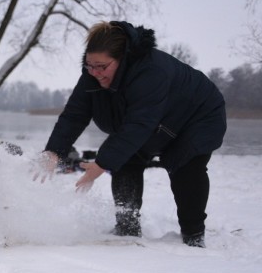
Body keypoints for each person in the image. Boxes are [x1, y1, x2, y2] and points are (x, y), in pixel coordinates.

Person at [36, 21, 226, 248]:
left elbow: (138, 124)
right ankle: (127, 228)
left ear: (122, 59)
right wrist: (54, 151)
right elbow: (74, 114)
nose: (95, 73)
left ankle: (193, 235)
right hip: (154, 122)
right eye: (89, 65)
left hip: (197, 117)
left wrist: (102, 163)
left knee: (185, 165)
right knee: (125, 159)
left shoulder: (151, 71)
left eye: (102, 67)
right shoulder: (92, 75)